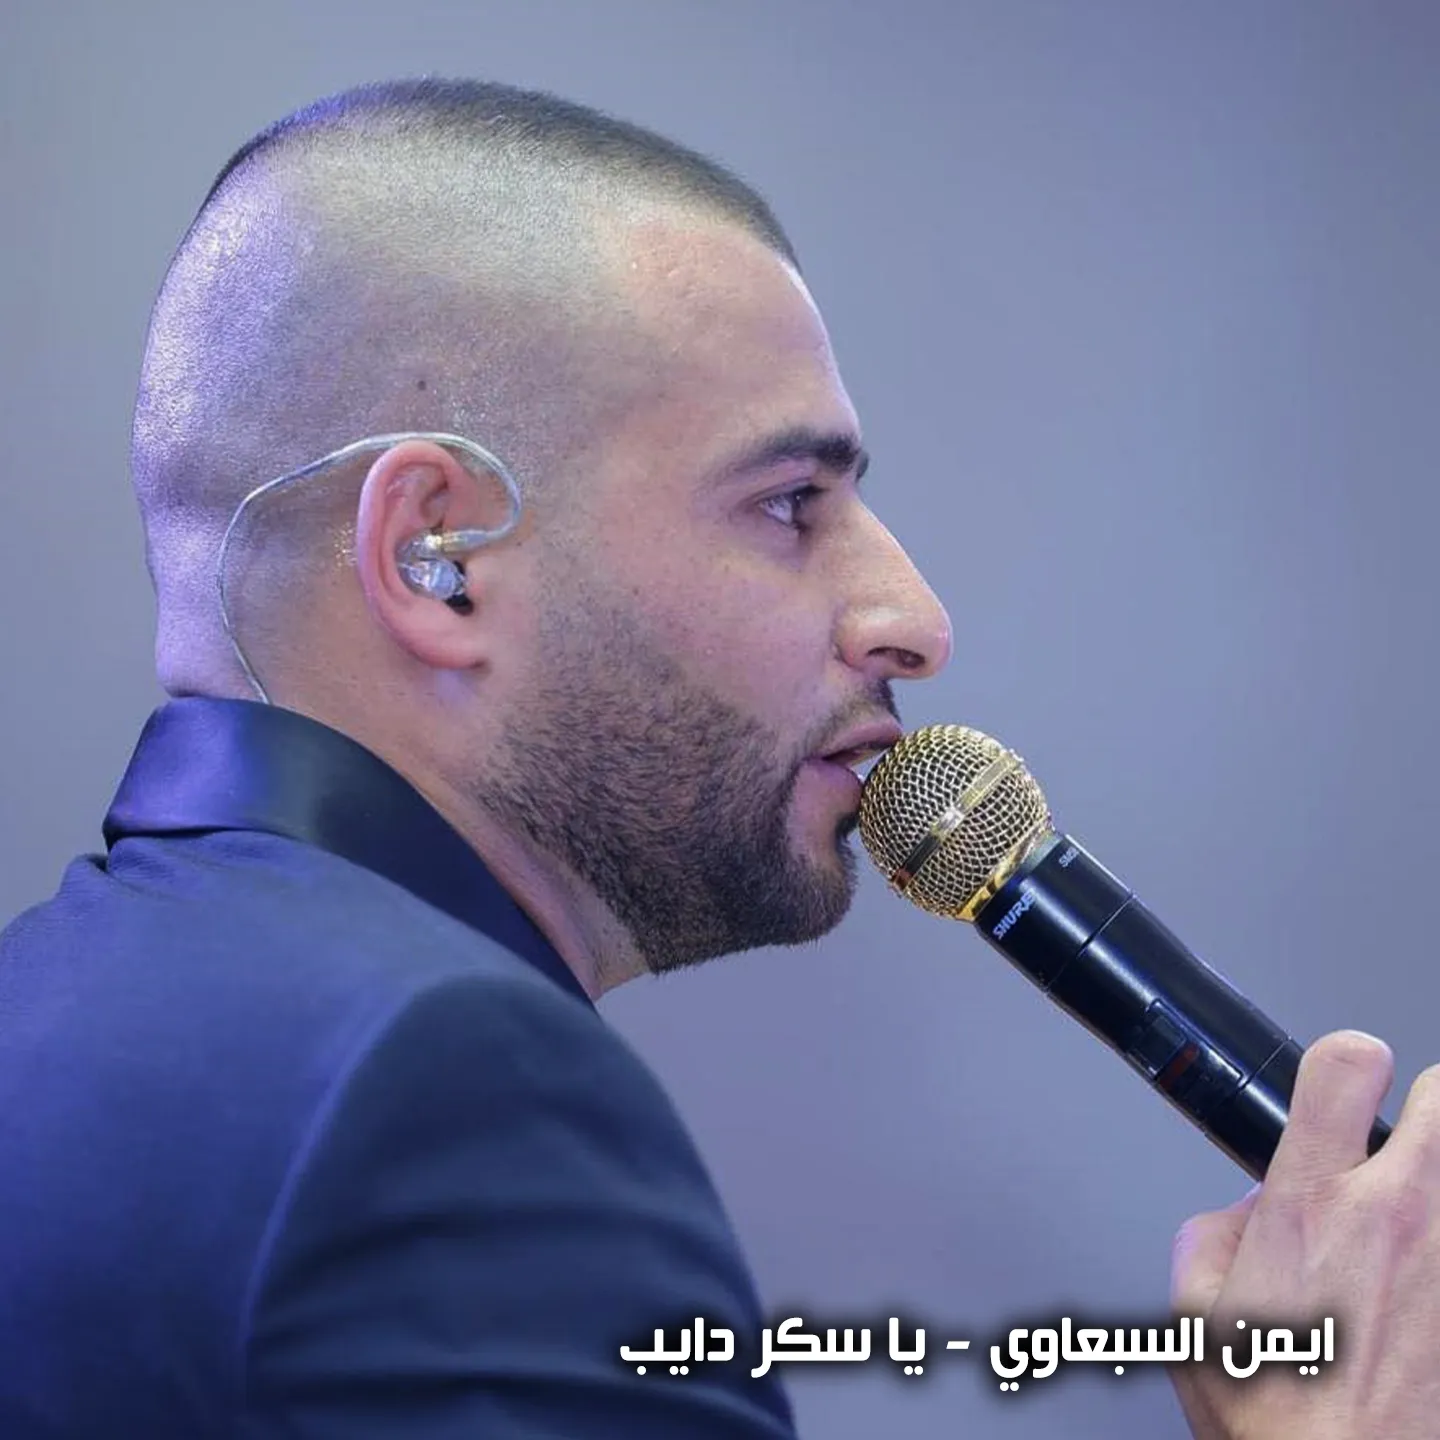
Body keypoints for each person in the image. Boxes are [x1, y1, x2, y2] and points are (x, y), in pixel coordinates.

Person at [0, 78, 1436, 1440]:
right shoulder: (449, 1080)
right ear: (439, 556)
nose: (914, 620)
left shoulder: (47, 1004)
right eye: (791, 501)